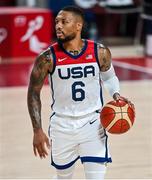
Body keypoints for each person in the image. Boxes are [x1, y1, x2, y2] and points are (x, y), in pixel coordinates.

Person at [27, 6, 128, 179]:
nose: (58, 26)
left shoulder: (99, 52)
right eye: (56, 22)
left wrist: (117, 95)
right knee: (63, 177)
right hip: (62, 125)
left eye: (64, 22)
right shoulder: (47, 58)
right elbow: (33, 93)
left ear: (78, 26)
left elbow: (109, 78)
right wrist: (37, 130)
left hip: (93, 124)